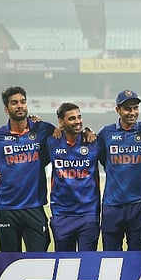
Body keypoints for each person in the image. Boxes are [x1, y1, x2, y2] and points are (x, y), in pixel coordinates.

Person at [97, 90, 141, 251]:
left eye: (135, 108)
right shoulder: (106, 133)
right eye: (127, 108)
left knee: (137, 256)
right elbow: (98, 155)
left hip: (139, 205)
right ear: (118, 110)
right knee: (110, 257)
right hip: (112, 205)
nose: (132, 112)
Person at [0, 86, 54, 252]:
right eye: (14, 103)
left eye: (22, 102)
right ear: (6, 109)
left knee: (39, 259)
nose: (19, 106)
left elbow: (67, 134)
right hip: (6, 207)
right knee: (9, 261)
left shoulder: (43, 129)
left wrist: (87, 132)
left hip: (33, 205)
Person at [47, 103, 102, 252]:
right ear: (61, 122)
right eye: (72, 118)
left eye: (79, 117)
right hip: (61, 214)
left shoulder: (93, 142)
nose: (77, 121)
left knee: (87, 264)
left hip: (88, 214)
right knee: (64, 266)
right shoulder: (52, 142)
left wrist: (89, 130)